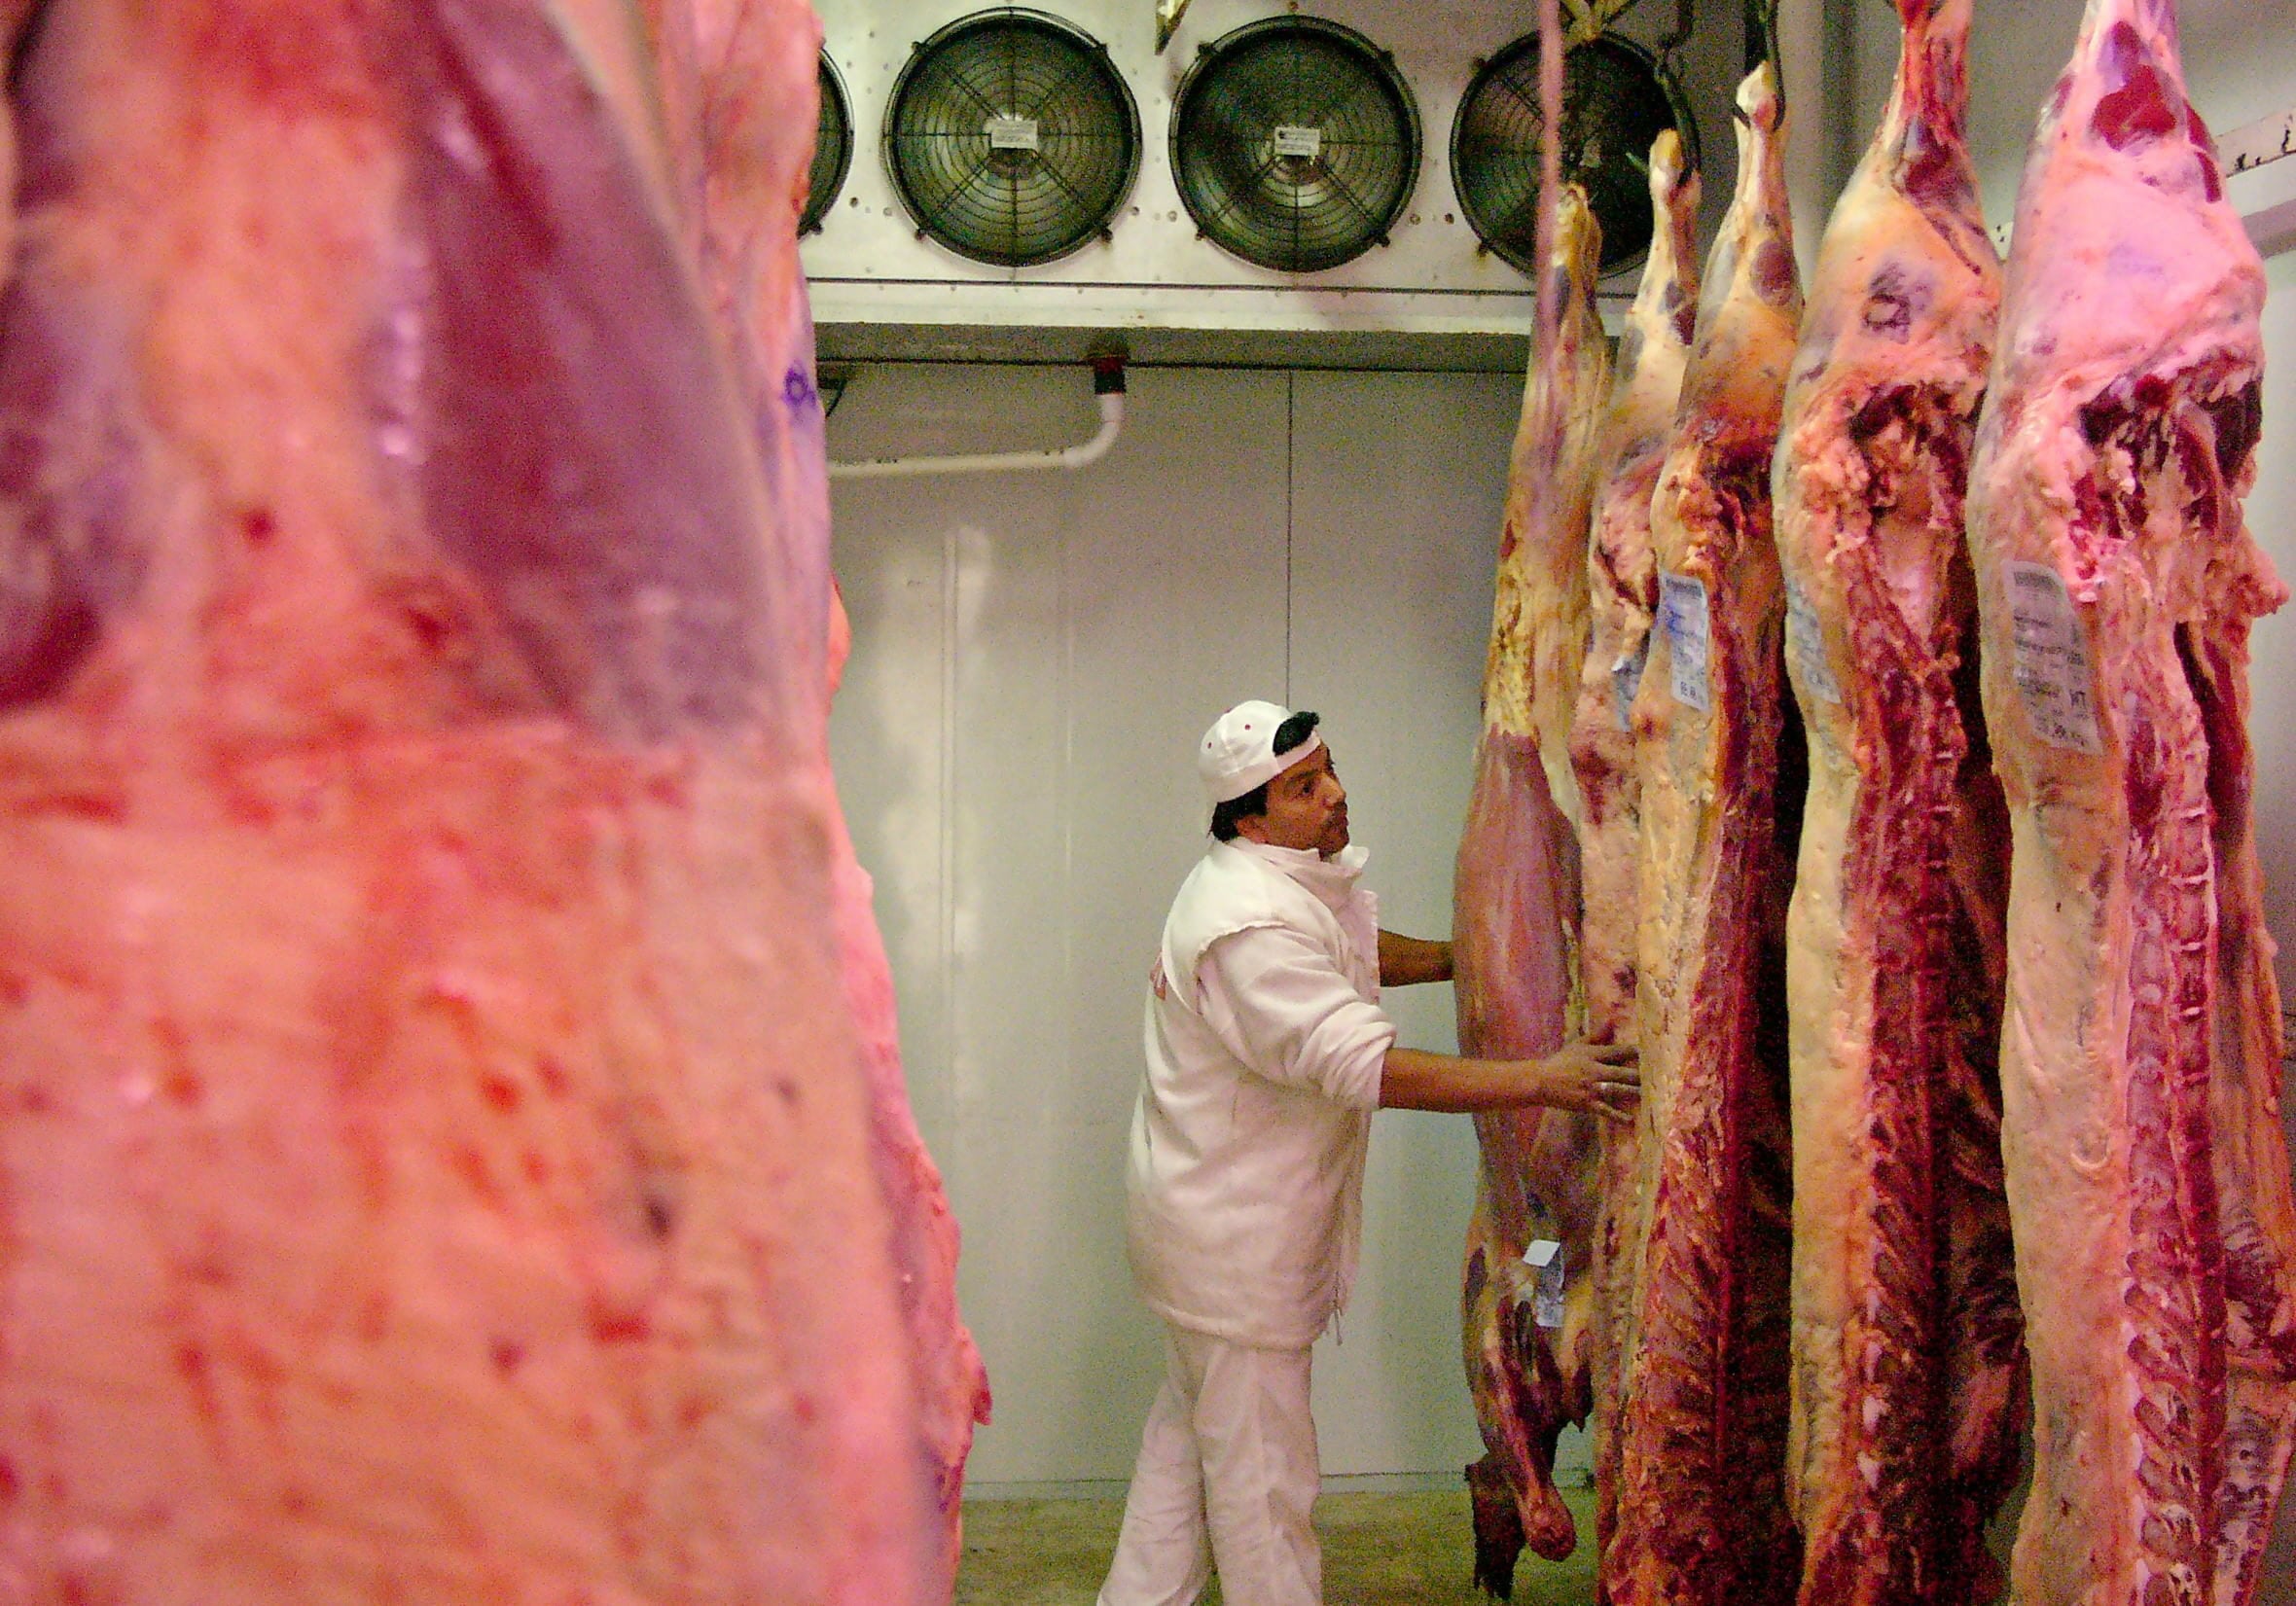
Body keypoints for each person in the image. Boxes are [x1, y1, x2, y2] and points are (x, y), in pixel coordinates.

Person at [1096, 700, 1638, 1606]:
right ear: (1252, 815)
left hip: (1201, 1244)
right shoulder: (1249, 930)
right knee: (1265, 1496)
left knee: (1185, 1454)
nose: (1337, 793)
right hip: (1236, 1256)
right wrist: (1544, 1078)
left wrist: (1470, 960)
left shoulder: (1260, 884)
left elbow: (1344, 951)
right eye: (1307, 786)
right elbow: (1365, 1063)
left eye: (1330, 769)